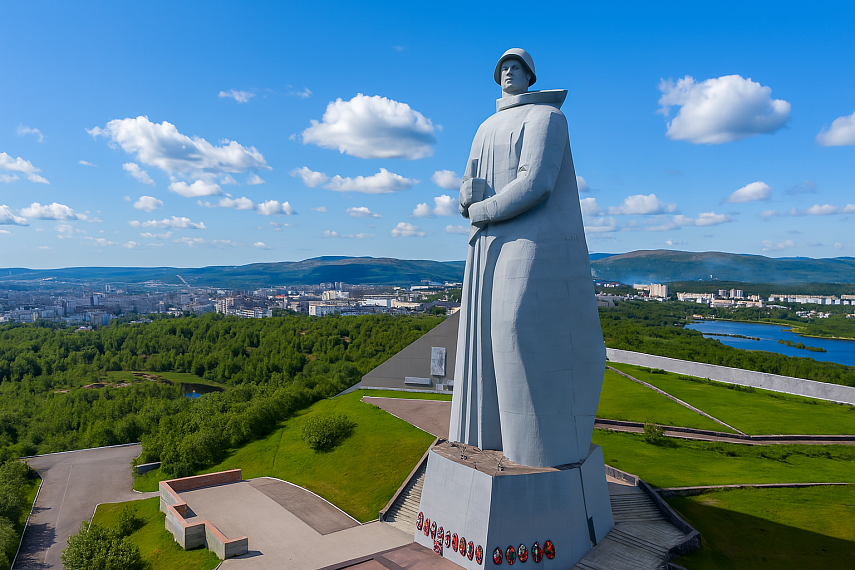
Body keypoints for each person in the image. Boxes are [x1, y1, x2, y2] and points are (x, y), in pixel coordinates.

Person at [449, 48, 606, 468]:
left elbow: (536, 182)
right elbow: (468, 181)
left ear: (530, 75)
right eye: (503, 67)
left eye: (516, 66)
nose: (508, 72)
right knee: (484, 333)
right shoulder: (485, 127)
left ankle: (538, 449)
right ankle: (484, 438)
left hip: (529, 237)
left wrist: (481, 211)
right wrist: (465, 199)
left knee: (515, 325)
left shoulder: (547, 117)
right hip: (486, 242)